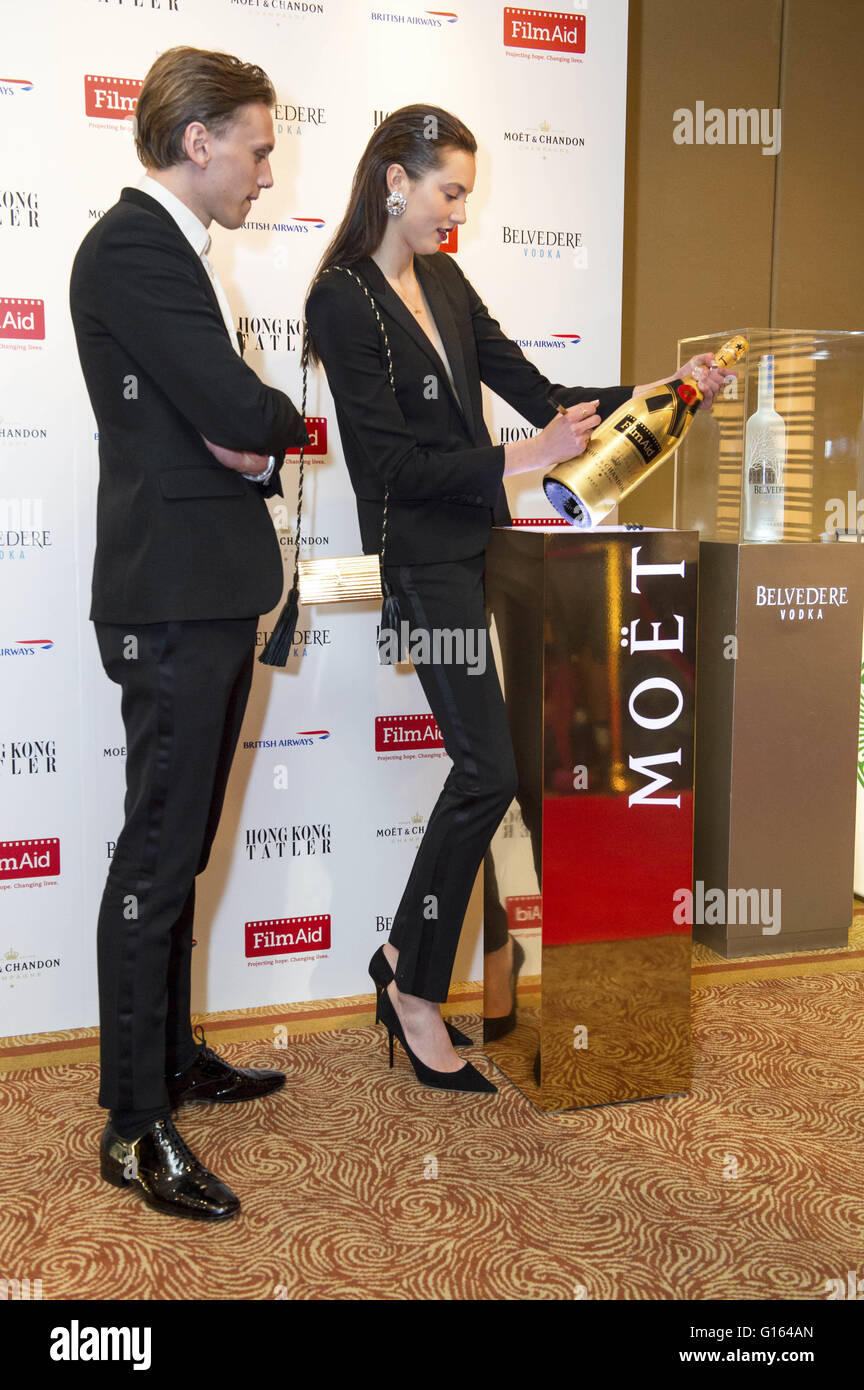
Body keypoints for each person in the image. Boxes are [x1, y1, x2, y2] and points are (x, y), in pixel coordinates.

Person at [305, 105, 727, 1095]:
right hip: (423, 556)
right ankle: (412, 984)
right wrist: (518, 460)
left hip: (481, 545)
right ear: (395, 180)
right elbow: (394, 464)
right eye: (449, 191)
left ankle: (410, 967)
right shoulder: (341, 297)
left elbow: (549, 400)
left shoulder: (444, 278)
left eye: (465, 195)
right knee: (486, 768)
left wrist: (668, 390)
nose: (458, 211)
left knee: (501, 771)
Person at [69, 46, 308, 1221]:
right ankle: (129, 1125)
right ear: (198, 137)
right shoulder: (131, 246)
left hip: (204, 591)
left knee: (181, 858)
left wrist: (251, 432)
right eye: (259, 147)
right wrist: (267, 426)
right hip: (169, 599)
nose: (269, 170)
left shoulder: (182, 253)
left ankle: (168, 1065)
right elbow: (235, 406)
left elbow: (234, 417)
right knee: (157, 864)